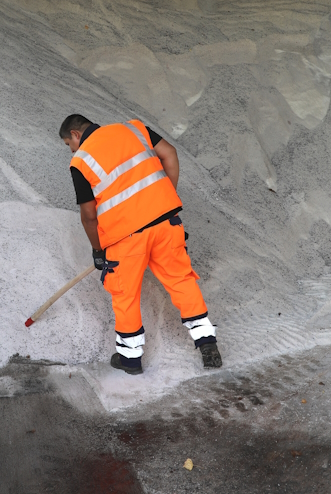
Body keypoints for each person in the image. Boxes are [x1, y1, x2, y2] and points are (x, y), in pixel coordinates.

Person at [59, 114, 222, 375]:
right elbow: (169, 153)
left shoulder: (81, 160)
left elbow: (89, 215)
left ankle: (131, 359)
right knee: (181, 280)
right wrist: (166, 199)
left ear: (75, 135)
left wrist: (98, 249)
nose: (71, 149)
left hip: (125, 238)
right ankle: (207, 343)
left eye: (68, 143)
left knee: (125, 295)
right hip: (166, 224)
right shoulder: (133, 129)